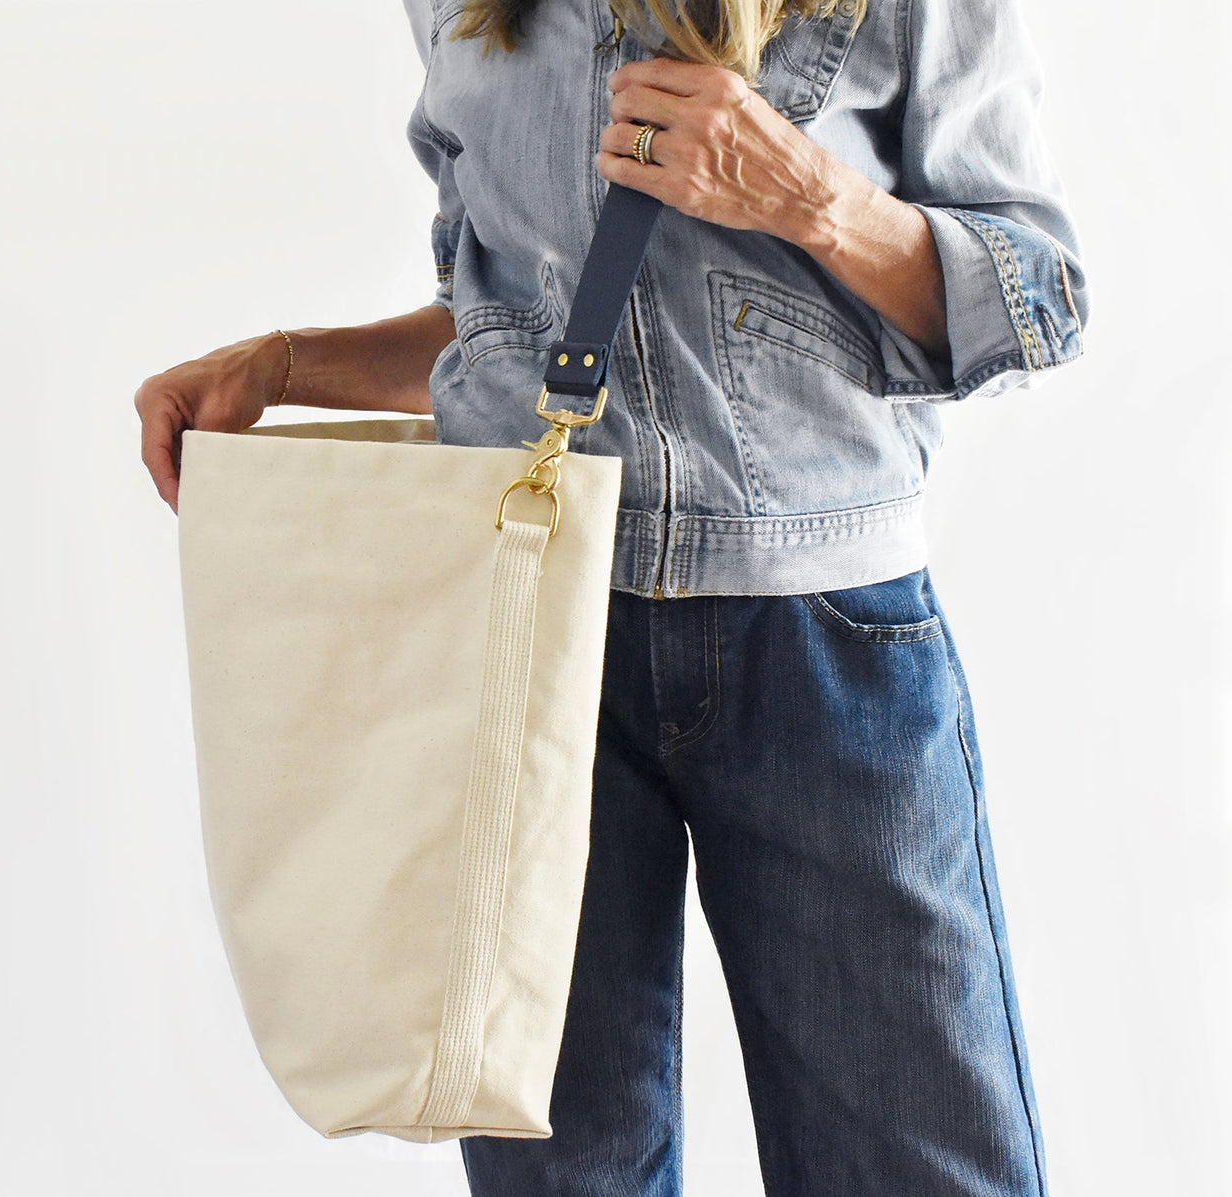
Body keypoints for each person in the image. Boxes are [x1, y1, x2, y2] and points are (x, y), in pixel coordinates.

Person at [135, 0, 1090, 1191]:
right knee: (560, 1175)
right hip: (530, 637)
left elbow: (1038, 303)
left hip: (822, 640)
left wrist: (806, 197)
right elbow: (507, 333)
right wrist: (279, 363)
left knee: (920, 1166)